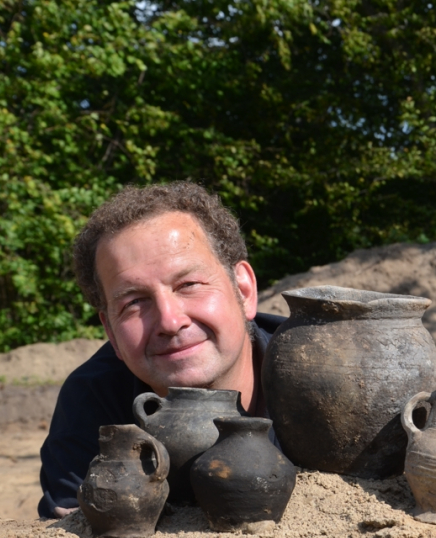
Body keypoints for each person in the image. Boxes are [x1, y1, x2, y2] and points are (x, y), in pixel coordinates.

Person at [38, 182, 282, 518]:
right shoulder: (92, 402)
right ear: (110, 330)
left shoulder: (327, 370)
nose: (170, 321)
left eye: (189, 285)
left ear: (244, 290)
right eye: (135, 302)